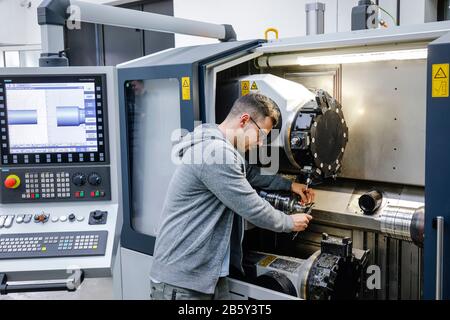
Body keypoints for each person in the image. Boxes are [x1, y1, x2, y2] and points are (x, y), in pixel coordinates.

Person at [149, 93, 315, 300]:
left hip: (208, 277)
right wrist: (289, 222)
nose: (261, 144)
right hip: (182, 282)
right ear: (244, 120)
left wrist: (290, 185)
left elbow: (250, 173)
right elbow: (252, 208)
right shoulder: (216, 152)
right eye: (261, 135)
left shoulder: (218, 146)